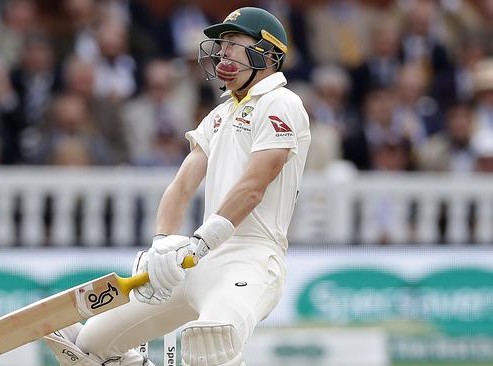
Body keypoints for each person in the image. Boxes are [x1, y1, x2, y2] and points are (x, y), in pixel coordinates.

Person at [44, 7, 311, 366]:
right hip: (197, 260)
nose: (223, 51)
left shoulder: (282, 102)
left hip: (250, 258)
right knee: (88, 348)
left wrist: (202, 241)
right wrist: (161, 243)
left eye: (234, 42)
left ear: (267, 52)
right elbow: (183, 185)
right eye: (222, 43)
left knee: (210, 344)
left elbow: (253, 186)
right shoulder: (218, 115)